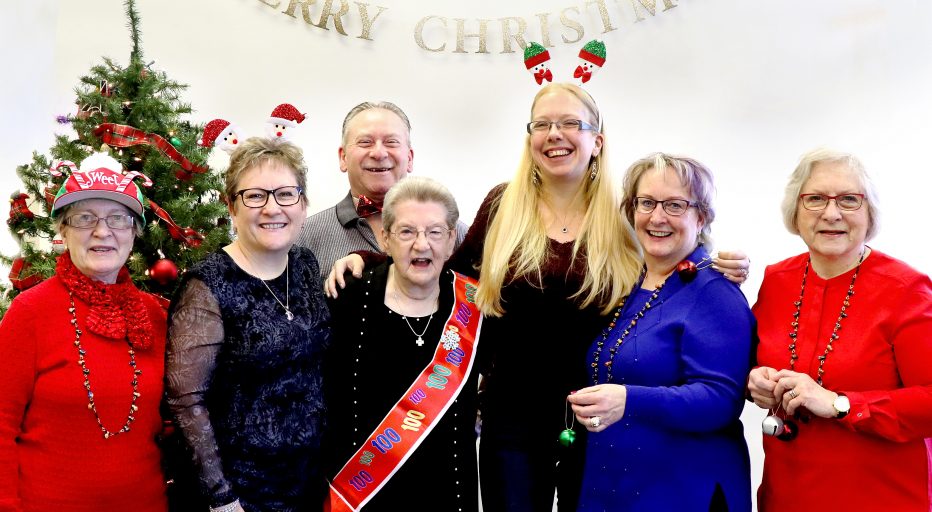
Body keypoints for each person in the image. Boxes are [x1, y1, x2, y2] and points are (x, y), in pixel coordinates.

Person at [328, 84, 751, 511]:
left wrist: (715, 263)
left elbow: (665, 267)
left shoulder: (624, 218)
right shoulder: (501, 207)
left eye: (571, 123)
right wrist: (369, 260)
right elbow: (445, 273)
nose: (555, 134)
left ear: (596, 141)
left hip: (596, 419)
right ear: (529, 137)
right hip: (509, 418)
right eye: (543, 124)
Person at [747, 148, 932, 511]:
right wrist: (755, 380)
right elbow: (749, 362)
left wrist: (840, 404)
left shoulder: (906, 289)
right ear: (796, 212)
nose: (832, 213)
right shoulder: (776, 279)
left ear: (869, 213)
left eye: (849, 200)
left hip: (880, 497)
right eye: (815, 199)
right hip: (786, 494)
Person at [567, 153, 754, 511]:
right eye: (647, 203)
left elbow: (720, 401)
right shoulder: (630, 282)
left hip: (684, 491)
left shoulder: (715, 290)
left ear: (701, 217)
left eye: (674, 205)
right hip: (617, 484)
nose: (657, 217)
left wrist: (629, 400)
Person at [164, 137, 331, 512]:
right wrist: (222, 497)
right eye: (255, 196)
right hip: (243, 493)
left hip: (308, 483)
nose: (273, 208)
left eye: (286, 194)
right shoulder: (206, 286)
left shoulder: (304, 264)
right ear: (232, 206)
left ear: (303, 204)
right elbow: (186, 401)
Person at [0, 153, 167, 511]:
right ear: (63, 229)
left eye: (118, 218)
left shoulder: (156, 315)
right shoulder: (29, 312)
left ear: (134, 233)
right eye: (84, 218)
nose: (102, 231)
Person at [324, 176, 481, 511]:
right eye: (407, 232)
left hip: (448, 493)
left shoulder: (477, 306)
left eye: (435, 232)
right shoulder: (346, 300)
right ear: (385, 238)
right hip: (362, 495)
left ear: (452, 239)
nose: (421, 245)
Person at [296, 101, 466, 275]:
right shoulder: (305, 238)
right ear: (343, 157)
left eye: (391, 142)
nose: (378, 153)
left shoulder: (454, 233)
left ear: (410, 158)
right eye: (365, 142)